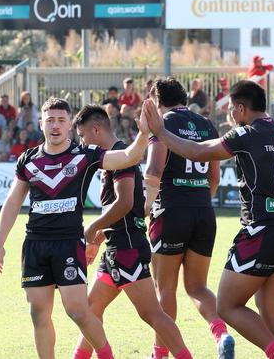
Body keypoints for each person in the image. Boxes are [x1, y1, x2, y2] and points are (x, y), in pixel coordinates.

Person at [143, 80, 274, 359]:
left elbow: (196, 152)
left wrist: (160, 130)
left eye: (232, 108)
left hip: (259, 230)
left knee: (227, 306)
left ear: (242, 108)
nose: (230, 114)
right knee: (271, 308)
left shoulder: (244, 134)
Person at [0, 97, 152, 359]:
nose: (55, 125)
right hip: (35, 244)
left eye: (61, 120)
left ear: (69, 125)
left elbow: (127, 157)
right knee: (38, 313)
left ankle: (106, 355)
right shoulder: (28, 160)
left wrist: (144, 134)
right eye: (50, 120)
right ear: (41, 124)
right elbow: (12, 202)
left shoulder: (85, 155)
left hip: (68, 242)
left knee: (77, 310)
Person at [73, 105, 194, 359]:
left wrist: (93, 227)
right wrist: (103, 234)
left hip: (127, 248)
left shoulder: (119, 155)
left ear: (96, 130)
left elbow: (125, 202)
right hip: (117, 246)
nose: (82, 143)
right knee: (91, 310)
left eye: (83, 136)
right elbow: (128, 210)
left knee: (152, 315)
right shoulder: (117, 155)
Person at [143, 78, 233, 359]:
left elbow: (154, 171)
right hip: (203, 211)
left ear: (157, 101)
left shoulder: (162, 124)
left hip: (170, 209)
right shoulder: (206, 124)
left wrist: (145, 207)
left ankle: (161, 354)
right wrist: (199, 198)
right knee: (197, 286)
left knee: (165, 288)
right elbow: (214, 176)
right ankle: (222, 334)